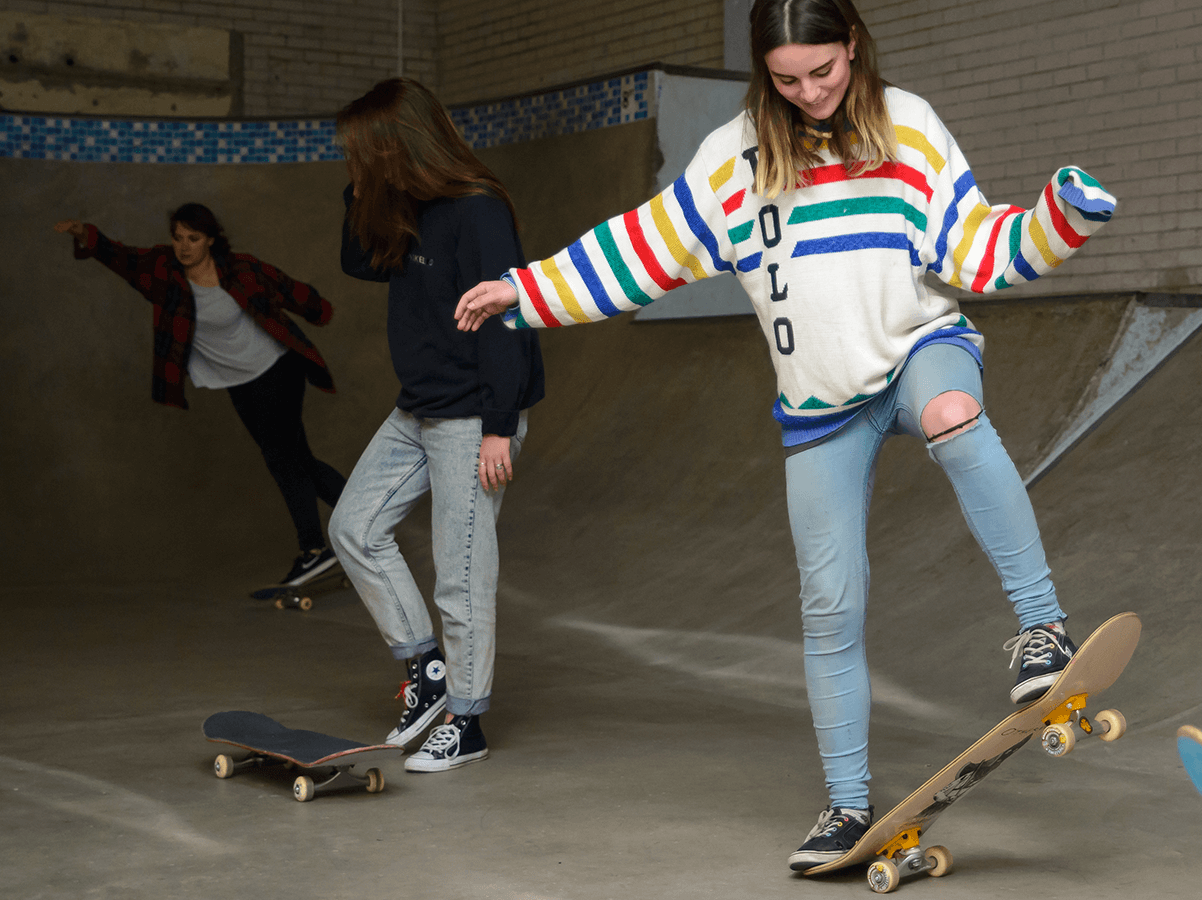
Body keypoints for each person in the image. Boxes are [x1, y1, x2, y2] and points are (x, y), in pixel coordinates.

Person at [453, 0, 1115, 867]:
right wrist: (526, 290)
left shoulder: (908, 127)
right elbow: (642, 250)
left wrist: (1052, 227)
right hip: (818, 404)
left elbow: (971, 248)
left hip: (922, 350)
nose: (809, 94)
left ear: (852, 46)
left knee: (954, 413)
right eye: (786, 79)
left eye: (825, 72)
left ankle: (1043, 630)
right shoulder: (734, 159)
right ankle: (846, 807)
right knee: (830, 606)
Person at [331, 78, 545, 773]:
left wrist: (498, 424)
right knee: (353, 528)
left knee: (460, 574)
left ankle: (467, 719)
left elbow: (506, 316)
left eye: (361, 153)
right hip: (418, 406)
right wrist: (361, 189)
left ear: (399, 145)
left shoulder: (477, 211)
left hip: (472, 416)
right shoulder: (407, 207)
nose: (353, 161)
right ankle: (426, 670)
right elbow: (357, 261)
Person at [56, 206, 347, 589]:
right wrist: (84, 234)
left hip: (278, 370)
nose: (184, 246)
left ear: (210, 239)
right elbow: (122, 258)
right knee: (297, 459)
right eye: (178, 237)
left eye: (193, 238)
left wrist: (319, 310)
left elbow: (285, 287)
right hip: (239, 384)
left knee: (281, 458)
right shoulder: (164, 272)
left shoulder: (239, 268)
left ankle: (314, 552)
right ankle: (365, 518)